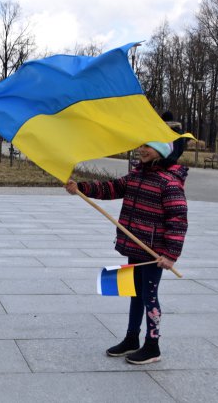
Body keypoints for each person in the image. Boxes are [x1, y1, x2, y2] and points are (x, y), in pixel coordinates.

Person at [65, 141, 188, 364]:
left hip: (153, 252)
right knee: (135, 293)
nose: (142, 150)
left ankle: (153, 345)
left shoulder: (169, 183)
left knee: (149, 296)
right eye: (141, 145)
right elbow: (111, 188)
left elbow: (178, 220)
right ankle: (132, 338)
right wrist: (81, 188)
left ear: (161, 151)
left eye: (148, 147)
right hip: (135, 246)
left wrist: (170, 254)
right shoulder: (136, 175)